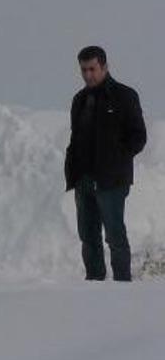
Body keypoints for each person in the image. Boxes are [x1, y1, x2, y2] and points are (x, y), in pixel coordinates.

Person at [65, 46, 146, 282]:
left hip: (111, 181)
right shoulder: (79, 100)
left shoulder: (124, 96)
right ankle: (94, 286)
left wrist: (116, 160)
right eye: (83, 70)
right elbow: (75, 137)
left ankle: (122, 287)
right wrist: (73, 170)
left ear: (105, 66)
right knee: (88, 237)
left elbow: (138, 136)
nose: (88, 75)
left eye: (92, 69)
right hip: (83, 179)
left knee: (115, 236)